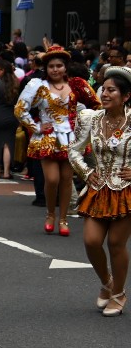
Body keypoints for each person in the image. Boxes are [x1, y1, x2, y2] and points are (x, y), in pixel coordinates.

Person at [16, 45, 100, 236]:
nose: (55, 69)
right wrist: (36, 126)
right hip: (47, 138)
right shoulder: (37, 85)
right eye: (51, 66)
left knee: (66, 179)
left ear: (65, 67)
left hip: (71, 139)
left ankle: (63, 219)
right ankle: (50, 214)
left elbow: (96, 105)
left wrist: (84, 125)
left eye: (59, 66)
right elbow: (20, 109)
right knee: (52, 179)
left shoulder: (77, 84)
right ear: (46, 68)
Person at [70, 66, 131, 316]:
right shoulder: (90, 119)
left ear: (125, 96)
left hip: (126, 190)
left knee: (116, 243)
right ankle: (106, 282)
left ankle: (118, 293)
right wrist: (86, 173)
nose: (104, 94)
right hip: (97, 188)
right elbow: (73, 151)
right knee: (91, 241)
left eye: (111, 90)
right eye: (103, 89)